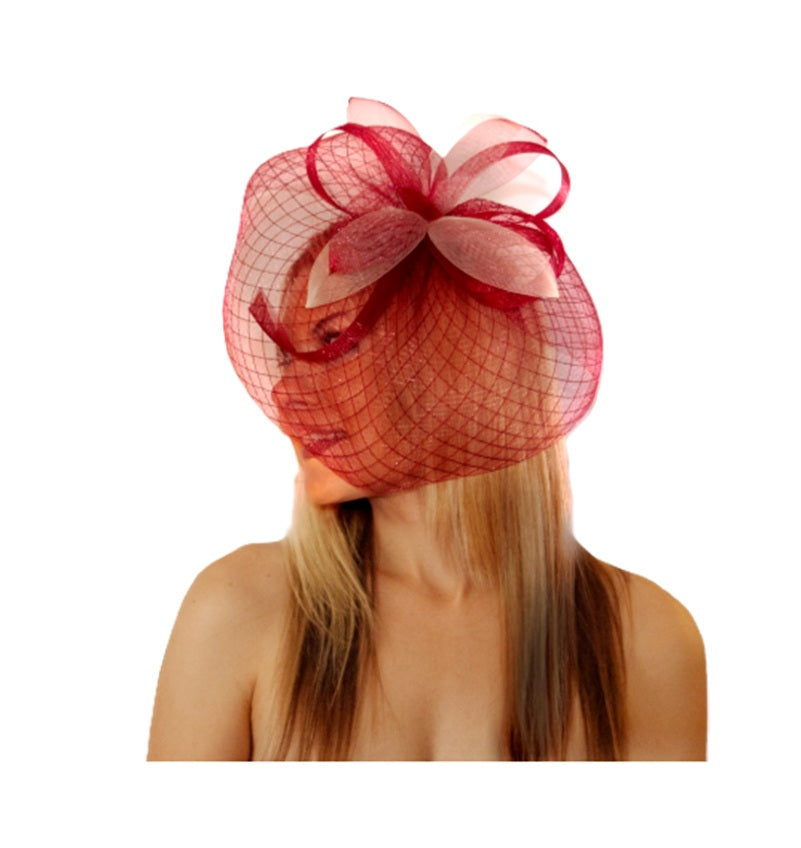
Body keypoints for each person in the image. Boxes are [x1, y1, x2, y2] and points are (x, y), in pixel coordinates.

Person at [147, 99, 706, 761]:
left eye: (333, 340)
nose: (285, 395)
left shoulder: (648, 641)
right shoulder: (237, 614)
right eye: (287, 356)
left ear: (458, 363)